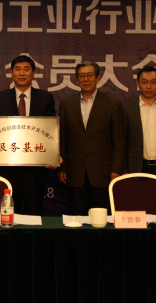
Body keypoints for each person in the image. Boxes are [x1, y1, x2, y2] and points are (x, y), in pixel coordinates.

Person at [0, 55, 57, 215]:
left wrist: (53, 155)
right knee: (8, 215)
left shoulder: (45, 98)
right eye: (18, 69)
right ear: (11, 73)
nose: (22, 73)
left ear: (33, 73)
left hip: (35, 170)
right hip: (8, 169)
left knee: (34, 215)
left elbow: (50, 131)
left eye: (26, 69)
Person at [58, 61, 125, 215]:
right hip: (75, 171)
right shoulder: (66, 104)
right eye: (82, 76)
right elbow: (62, 138)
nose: (86, 79)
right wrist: (62, 167)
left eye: (90, 75)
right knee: (77, 217)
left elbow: (119, 140)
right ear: (77, 79)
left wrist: (116, 168)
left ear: (98, 78)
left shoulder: (112, 103)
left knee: (101, 218)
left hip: (103, 172)